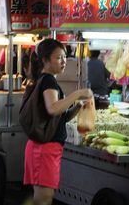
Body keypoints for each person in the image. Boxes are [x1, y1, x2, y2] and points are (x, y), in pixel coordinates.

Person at [23, 39, 93, 205]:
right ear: (45, 61)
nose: (64, 62)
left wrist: (78, 107)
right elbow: (53, 108)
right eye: (59, 58)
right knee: (43, 200)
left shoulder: (46, 80)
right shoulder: (48, 81)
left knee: (42, 198)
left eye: (65, 57)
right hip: (44, 150)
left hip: (44, 148)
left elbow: (59, 117)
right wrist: (78, 94)